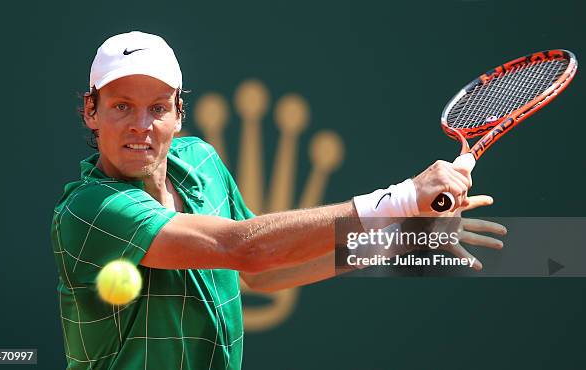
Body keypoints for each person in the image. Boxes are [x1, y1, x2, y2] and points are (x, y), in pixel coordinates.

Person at [51, 31, 506, 369]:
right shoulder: (90, 210)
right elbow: (245, 247)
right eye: (121, 106)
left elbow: (265, 272)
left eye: (158, 107)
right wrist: (403, 199)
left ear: (178, 115)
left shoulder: (200, 161)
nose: (140, 125)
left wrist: (394, 238)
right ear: (92, 112)